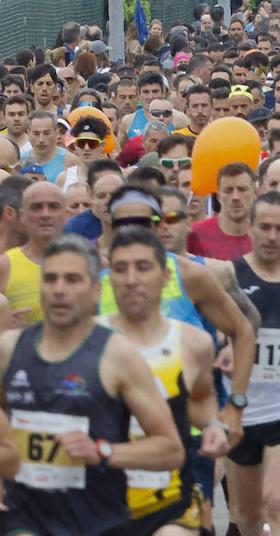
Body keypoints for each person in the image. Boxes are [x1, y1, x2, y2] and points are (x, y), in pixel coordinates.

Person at [0, 234, 185, 535]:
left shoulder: (118, 356)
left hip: (97, 523)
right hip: (24, 521)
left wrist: (103, 452)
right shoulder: (9, 349)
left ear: (96, 289)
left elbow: (170, 450)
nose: (59, 290)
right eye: (51, 279)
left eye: (73, 280)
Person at [208, 191, 280, 536]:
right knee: (246, 515)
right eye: (265, 227)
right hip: (242, 411)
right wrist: (225, 343)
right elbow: (215, 323)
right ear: (250, 227)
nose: (272, 236)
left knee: (278, 501)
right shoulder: (228, 275)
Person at [103, 226, 230, 536]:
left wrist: (213, 426)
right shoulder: (88, 341)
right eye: (120, 269)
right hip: (102, 500)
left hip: (171, 497)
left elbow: (200, 398)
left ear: (165, 276)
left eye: (143, 267)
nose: (131, 279)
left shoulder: (194, 343)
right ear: (109, 278)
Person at [1, 181, 67, 326]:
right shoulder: (5, 265)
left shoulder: (86, 262)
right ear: (23, 216)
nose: (45, 214)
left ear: (66, 214)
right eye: (36, 207)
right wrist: (7, 328)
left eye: (53, 206)